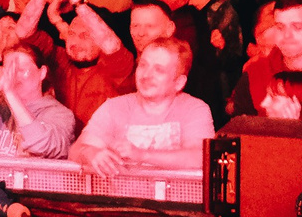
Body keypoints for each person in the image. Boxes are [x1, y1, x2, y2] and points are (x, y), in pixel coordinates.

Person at [73, 38, 213, 176]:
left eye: (159, 70)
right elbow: (75, 151)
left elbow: (199, 157)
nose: (146, 75)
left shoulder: (195, 109)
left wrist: (142, 155)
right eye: (143, 65)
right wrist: (91, 154)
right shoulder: (113, 107)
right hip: (123, 192)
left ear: (179, 83)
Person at [0, 39, 77, 159]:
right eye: (9, 71)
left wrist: (10, 93)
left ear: (42, 73)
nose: (14, 77)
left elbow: (42, 145)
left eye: (22, 70)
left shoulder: (60, 114)